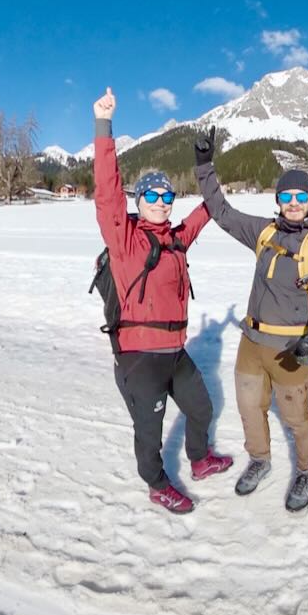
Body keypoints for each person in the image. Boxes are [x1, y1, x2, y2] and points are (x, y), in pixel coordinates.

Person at [93, 88, 232, 515]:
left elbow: (208, 208)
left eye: (167, 196)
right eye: (151, 196)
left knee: (202, 407)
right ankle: (155, 483)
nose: (160, 202)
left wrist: (207, 165)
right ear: (139, 202)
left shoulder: (176, 238)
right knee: (149, 430)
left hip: (175, 352)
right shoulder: (125, 238)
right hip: (139, 357)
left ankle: (200, 458)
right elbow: (107, 193)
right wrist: (103, 126)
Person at [193, 127, 308, 512]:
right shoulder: (265, 231)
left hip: (292, 350)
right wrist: (204, 166)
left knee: (295, 416)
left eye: (300, 196)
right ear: (278, 200)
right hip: (252, 343)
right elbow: (222, 213)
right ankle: (259, 459)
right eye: (286, 196)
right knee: (249, 409)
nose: (293, 203)